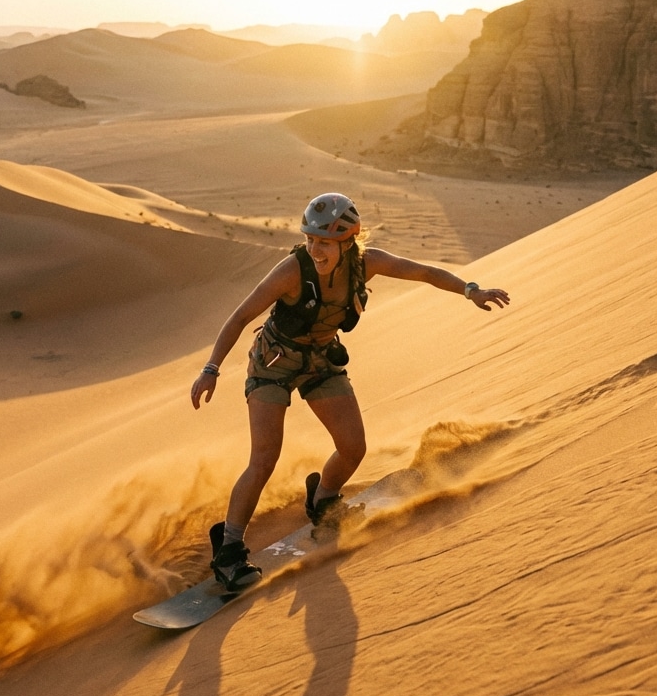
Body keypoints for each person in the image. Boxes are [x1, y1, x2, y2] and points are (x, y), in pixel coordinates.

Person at [190, 192, 510, 591]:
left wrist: (470, 290)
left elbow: (424, 272)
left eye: (323, 242)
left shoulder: (367, 263)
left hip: (321, 362)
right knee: (265, 458)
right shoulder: (292, 270)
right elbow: (240, 316)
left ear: (349, 241)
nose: (314, 248)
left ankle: (323, 500)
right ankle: (230, 549)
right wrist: (211, 369)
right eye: (310, 239)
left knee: (353, 447)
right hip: (273, 365)